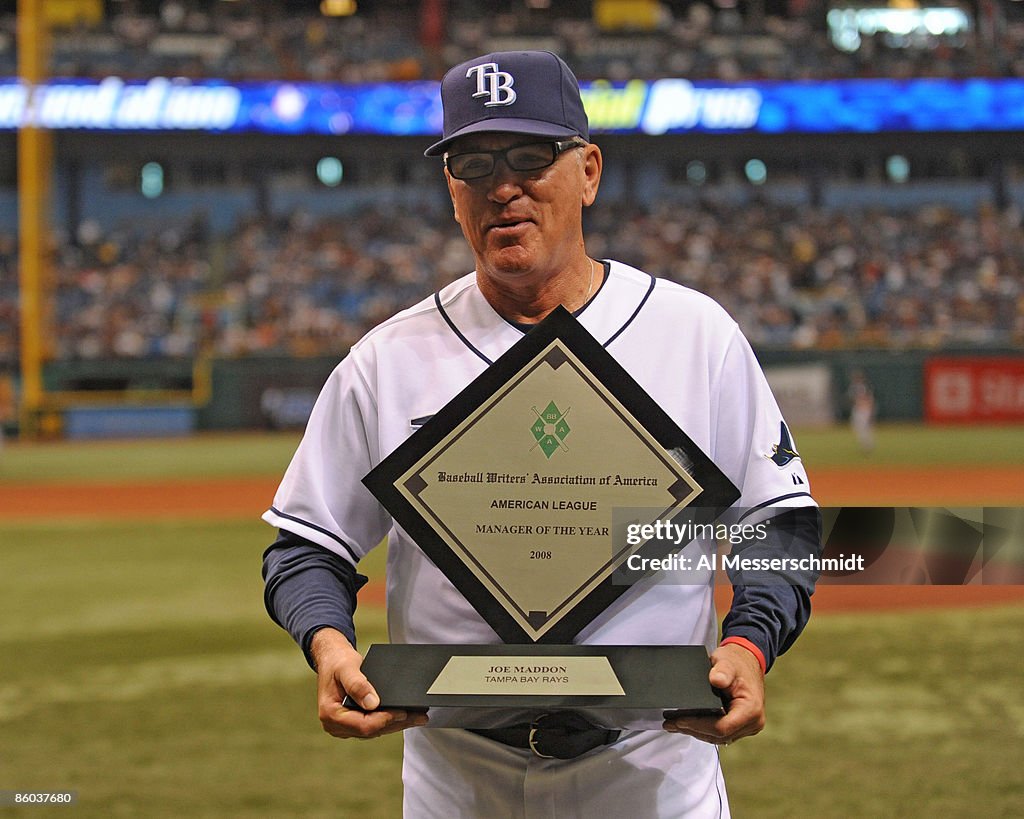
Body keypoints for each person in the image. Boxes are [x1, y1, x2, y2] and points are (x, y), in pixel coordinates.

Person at [262, 51, 821, 818]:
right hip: (456, 779)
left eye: (532, 156)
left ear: (589, 171)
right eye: (472, 161)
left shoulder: (696, 336)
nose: (502, 186)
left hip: (651, 771)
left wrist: (749, 643)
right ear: (449, 188)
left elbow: (778, 520)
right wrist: (328, 644)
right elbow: (305, 544)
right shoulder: (385, 362)